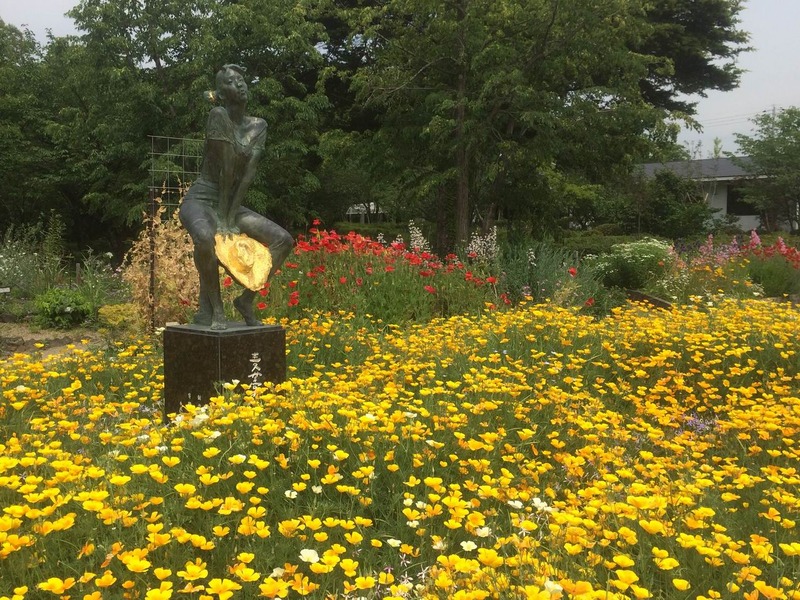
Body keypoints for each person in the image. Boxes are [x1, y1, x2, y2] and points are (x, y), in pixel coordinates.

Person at [180, 64, 293, 330]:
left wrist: (229, 217)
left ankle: (245, 301)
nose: (239, 85)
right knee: (206, 238)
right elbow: (227, 168)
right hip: (202, 200)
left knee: (283, 240)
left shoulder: (258, 126)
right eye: (231, 82)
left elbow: (247, 176)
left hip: (230, 205)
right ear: (220, 93)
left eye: (241, 79)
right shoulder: (218, 115)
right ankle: (215, 311)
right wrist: (222, 220)